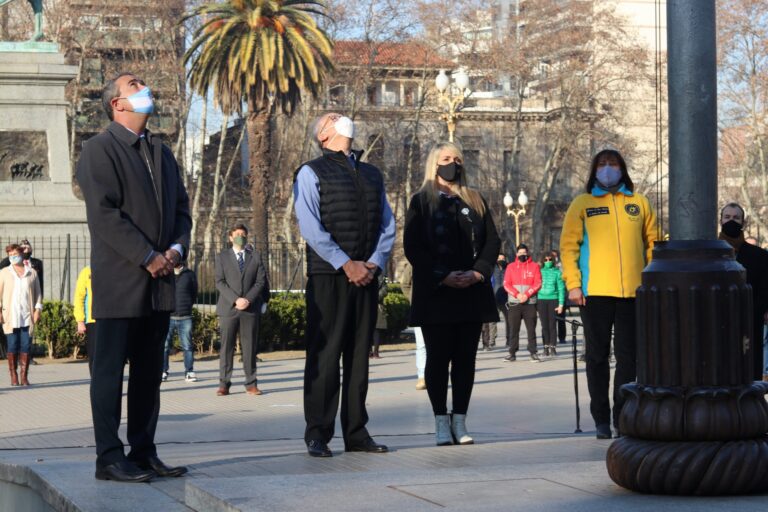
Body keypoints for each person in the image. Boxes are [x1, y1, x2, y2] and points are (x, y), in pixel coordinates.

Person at [76, 72, 192, 482]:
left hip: (160, 283)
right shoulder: (99, 149)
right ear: (116, 104)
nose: (145, 90)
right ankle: (109, 457)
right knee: (108, 375)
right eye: (134, 85)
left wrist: (176, 249)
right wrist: (146, 256)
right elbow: (104, 216)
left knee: (148, 374)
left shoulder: (161, 151)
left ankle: (144, 451)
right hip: (119, 281)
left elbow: (181, 208)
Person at [294, 112, 395, 458]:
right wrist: (344, 262)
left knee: (358, 357)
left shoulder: (372, 173)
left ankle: (356, 431)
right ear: (323, 136)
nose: (343, 119)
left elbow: (388, 224)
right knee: (324, 356)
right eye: (333, 118)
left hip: (365, 275)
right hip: (329, 277)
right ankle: (318, 433)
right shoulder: (311, 172)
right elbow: (310, 226)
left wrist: (375, 262)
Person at [404, 141, 501, 446]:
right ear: (434, 163)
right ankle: (440, 421)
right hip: (436, 293)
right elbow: (413, 246)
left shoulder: (475, 199)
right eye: (446, 159)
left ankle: (460, 420)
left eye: (457, 159)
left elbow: (492, 241)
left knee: (465, 360)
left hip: (470, 291)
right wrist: (442, 275)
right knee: (437, 358)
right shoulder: (421, 201)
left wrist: (477, 272)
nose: (453, 164)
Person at [560, 148, 658, 440]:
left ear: (622, 168)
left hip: (633, 292)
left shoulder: (639, 204)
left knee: (629, 358)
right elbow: (569, 247)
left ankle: (623, 415)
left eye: (612, 163)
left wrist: (651, 279)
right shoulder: (583, 203)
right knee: (597, 357)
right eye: (601, 163)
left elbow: (654, 242)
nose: (607, 168)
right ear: (594, 170)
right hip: (595, 293)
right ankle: (601, 418)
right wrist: (573, 284)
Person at [214, 224, 267, 396]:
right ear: (230, 237)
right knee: (226, 348)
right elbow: (219, 281)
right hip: (229, 308)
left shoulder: (255, 257)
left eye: (243, 234)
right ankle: (224, 384)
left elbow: (260, 282)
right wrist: (236, 299)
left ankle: (251, 383)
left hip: (250, 309)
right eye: (237, 234)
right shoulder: (222, 257)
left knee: (250, 347)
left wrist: (247, 300)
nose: (240, 237)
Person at [718, 203, 768, 381]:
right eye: (727, 218)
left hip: (749, 323)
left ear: (743, 223)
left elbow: (764, 288)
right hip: (717, 323)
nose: (731, 221)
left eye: (736, 218)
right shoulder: (709, 253)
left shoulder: (759, 256)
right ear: (721, 220)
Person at [0, 243, 42, 386]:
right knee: (12, 345)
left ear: (21, 254)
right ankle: (13, 375)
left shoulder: (32, 273)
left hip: (26, 316)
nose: (13, 257)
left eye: (15, 254)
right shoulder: (4, 272)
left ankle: (24, 377)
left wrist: (37, 310)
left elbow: (38, 294)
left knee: (26, 345)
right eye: (10, 255)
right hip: (10, 316)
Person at [503, 244, 542, 362]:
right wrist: (518, 294)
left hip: (529, 303)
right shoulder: (510, 267)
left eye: (524, 253)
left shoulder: (535, 266)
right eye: (520, 253)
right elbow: (506, 284)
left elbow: (538, 283)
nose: (522, 255)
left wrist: (527, 294)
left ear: (528, 253)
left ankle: (533, 352)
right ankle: (512, 353)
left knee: (531, 329)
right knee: (513, 329)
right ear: (516, 254)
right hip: (515, 303)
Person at [163, 262, 198, 383]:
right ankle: (163, 371)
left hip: (185, 316)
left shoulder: (190, 274)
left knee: (187, 346)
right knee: (165, 346)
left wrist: (187, 306)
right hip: (168, 316)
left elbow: (194, 293)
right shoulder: (166, 273)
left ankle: (189, 372)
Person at [398, 259, 426, 390]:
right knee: (421, 344)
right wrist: (413, 300)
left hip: (441, 308)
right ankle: (422, 376)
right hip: (420, 309)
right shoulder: (414, 262)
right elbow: (405, 284)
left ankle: (437, 374)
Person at [537, 252, 565, 357]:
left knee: (552, 325)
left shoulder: (558, 272)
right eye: (546, 260)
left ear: (553, 260)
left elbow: (561, 289)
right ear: (543, 261)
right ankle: (545, 347)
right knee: (544, 325)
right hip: (541, 300)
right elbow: (535, 287)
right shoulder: (539, 272)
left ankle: (553, 347)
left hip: (553, 300)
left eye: (550, 259)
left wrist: (561, 304)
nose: (548, 262)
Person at [73, 266, 96, 375]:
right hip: (92, 320)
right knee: (94, 354)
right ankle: (96, 384)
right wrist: (80, 320)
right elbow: (79, 297)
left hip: (112, 319)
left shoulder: (113, 268)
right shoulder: (87, 272)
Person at [370, 275, 388, 359]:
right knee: (366, 329)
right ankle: (369, 352)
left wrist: (375, 297)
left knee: (377, 329)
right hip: (365, 304)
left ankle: (376, 352)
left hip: (378, 306)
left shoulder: (380, 276)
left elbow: (385, 290)